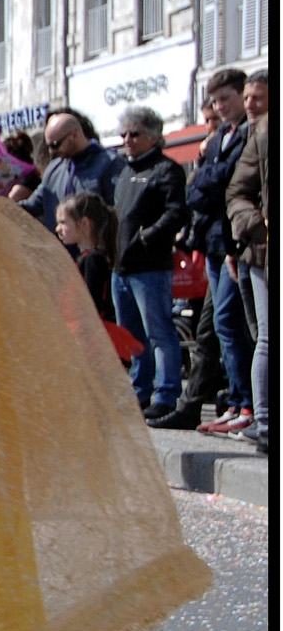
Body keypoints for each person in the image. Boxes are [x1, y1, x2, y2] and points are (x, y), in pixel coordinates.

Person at [167, 69, 255, 433]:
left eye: (225, 99)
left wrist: (208, 175)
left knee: (233, 324)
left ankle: (246, 403)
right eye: (215, 100)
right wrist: (207, 174)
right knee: (222, 324)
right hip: (216, 242)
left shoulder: (249, 134)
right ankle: (237, 400)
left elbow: (224, 180)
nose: (220, 107)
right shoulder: (220, 136)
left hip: (235, 240)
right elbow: (198, 186)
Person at [110, 105, 188, 420]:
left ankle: (166, 393)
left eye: (134, 133)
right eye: (124, 134)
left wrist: (148, 237)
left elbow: (177, 212)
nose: (127, 140)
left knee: (159, 332)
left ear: (154, 136)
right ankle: (140, 391)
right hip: (122, 267)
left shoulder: (165, 170)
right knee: (132, 337)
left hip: (150, 267)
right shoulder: (126, 171)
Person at [226, 106, 270, 455]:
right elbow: (236, 193)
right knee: (269, 337)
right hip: (265, 253)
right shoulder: (265, 132)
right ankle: (268, 424)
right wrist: (258, 226)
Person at [18, 108, 120, 235]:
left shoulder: (109, 163)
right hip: (59, 252)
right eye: (48, 145)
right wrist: (0, 209)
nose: (51, 151)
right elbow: (34, 205)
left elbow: (118, 212)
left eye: (55, 144)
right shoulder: (54, 169)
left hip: (95, 251)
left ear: (74, 135)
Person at [56, 192, 118, 322]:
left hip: (95, 331)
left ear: (84, 223)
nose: (58, 229)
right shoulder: (88, 257)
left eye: (63, 223)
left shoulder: (93, 260)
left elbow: (91, 304)